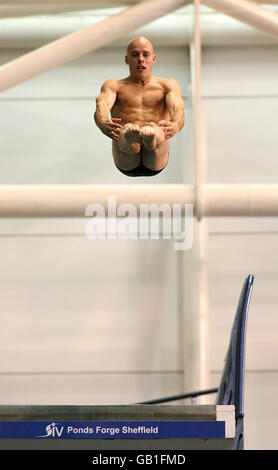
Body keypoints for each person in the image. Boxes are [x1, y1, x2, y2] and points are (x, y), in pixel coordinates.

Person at [94, 36, 185, 177]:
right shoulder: (114, 86)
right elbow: (102, 104)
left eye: (145, 54)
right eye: (135, 54)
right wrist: (102, 122)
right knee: (126, 131)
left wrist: (176, 125)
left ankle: (151, 138)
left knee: (155, 131)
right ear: (127, 59)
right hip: (125, 157)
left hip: (157, 155)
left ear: (153, 59)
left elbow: (178, 109)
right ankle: (132, 139)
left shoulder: (167, 85)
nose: (140, 59)